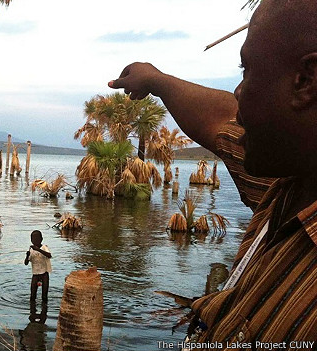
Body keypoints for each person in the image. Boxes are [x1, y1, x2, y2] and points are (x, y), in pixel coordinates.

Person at [108, 0, 317, 344]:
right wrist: (157, 81)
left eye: (247, 71)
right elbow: (222, 120)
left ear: (306, 80)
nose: (237, 92)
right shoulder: (287, 186)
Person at [24, 230, 52, 304]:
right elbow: (26, 263)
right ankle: (32, 311)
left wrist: (38, 249)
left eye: (37, 239)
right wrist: (27, 256)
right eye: (33, 239)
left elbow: (49, 255)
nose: (35, 241)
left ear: (41, 239)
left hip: (44, 274)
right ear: (31, 240)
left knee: (44, 296)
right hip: (35, 274)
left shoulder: (44, 247)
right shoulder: (31, 250)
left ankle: (44, 311)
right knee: (32, 295)